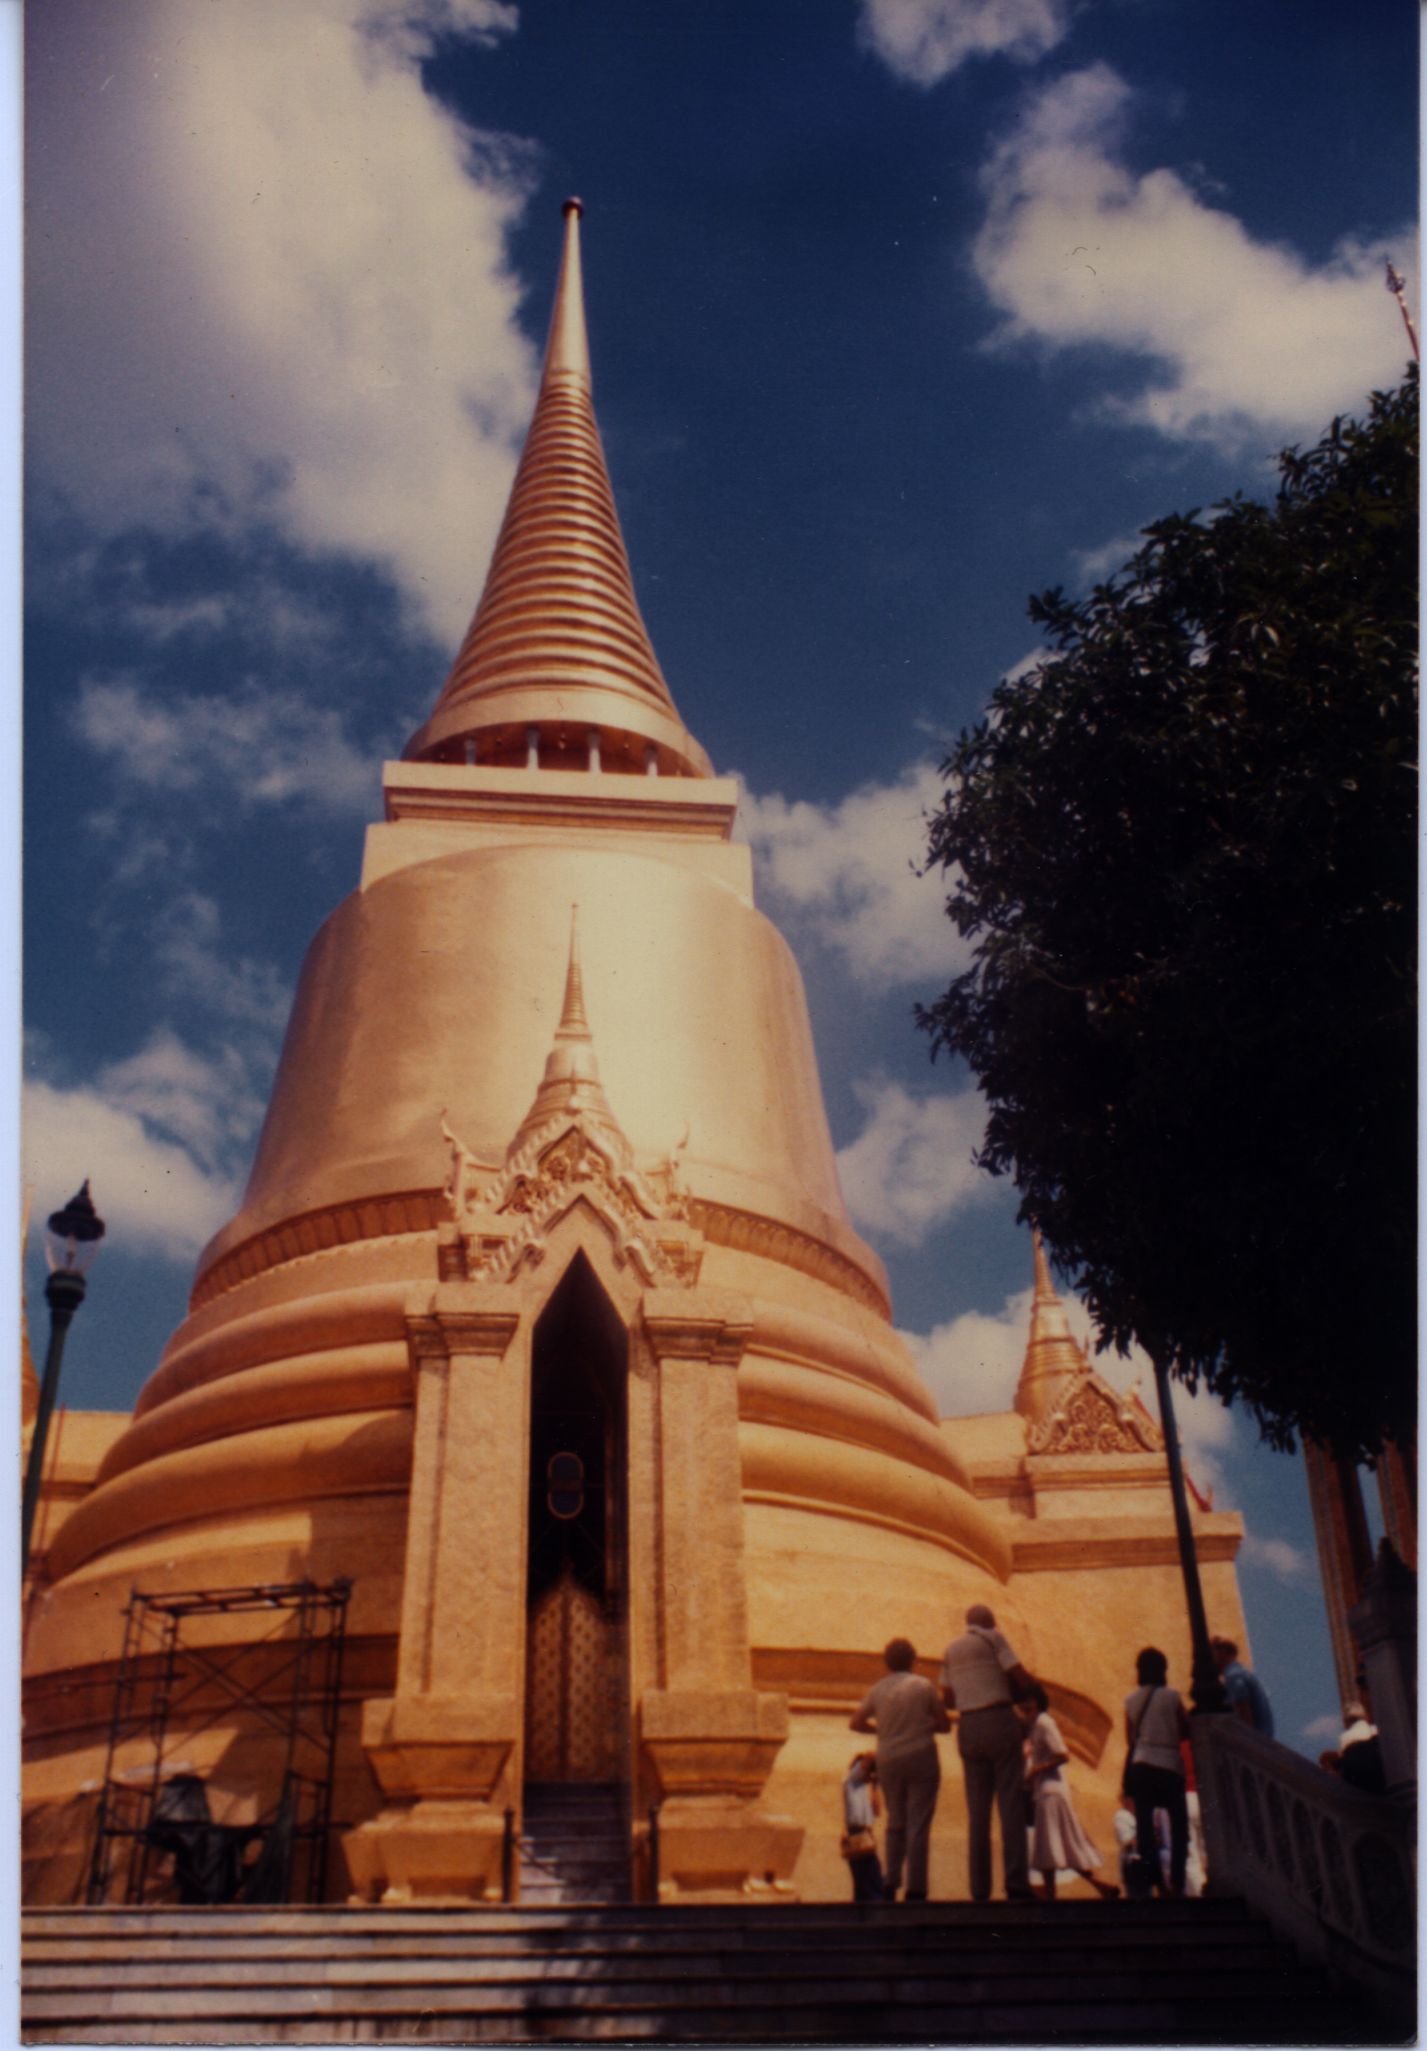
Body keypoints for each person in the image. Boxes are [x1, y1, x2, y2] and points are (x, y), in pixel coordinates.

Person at [939, 1603, 1034, 1902]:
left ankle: (979, 1890)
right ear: (989, 1623)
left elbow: (948, 1698)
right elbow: (1019, 1675)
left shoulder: (951, 1649)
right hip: (999, 1719)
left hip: (968, 1726)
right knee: (1010, 1806)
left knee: (978, 1814)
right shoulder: (994, 1638)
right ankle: (1016, 1883)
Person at [850, 1637, 950, 1901]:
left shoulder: (878, 1689)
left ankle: (891, 1881)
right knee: (918, 1823)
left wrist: (882, 1731)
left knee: (896, 1821)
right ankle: (916, 1887)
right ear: (913, 1661)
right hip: (921, 1756)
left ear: (887, 1663)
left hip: (889, 1758)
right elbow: (944, 1724)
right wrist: (922, 1726)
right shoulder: (923, 1686)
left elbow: (856, 1722)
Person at [1018, 1683, 1119, 1901]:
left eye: (1028, 1700)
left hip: (1051, 1792)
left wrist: (1036, 1770)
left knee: (1051, 1846)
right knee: (1055, 1846)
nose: (1024, 1705)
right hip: (1045, 1791)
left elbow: (1062, 1754)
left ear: (1037, 1701)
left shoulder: (1044, 1722)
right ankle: (1099, 1886)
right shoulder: (1035, 1726)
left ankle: (1054, 1894)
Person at [1123, 1646, 1191, 1899]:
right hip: (1170, 1764)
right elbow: (1185, 1730)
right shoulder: (1172, 1697)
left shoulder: (1131, 1701)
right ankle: (1177, 1882)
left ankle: (1157, 1883)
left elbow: (1130, 1738)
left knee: (1145, 1827)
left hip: (1142, 1765)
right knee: (1179, 1826)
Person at [1210, 1635, 1274, 1736]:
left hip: (1254, 1741)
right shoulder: (1244, 1673)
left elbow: (1244, 1715)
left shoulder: (1233, 1676)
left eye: (1211, 1654)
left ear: (1223, 1653)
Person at [840, 1752, 884, 1903]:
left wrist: (875, 1787)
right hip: (857, 1832)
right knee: (868, 1877)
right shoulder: (851, 1780)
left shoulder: (863, 1788)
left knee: (866, 1879)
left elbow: (877, 1811)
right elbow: (871, 1755)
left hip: (866, 1833)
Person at [1338, 1700, 1386, 1794]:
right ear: (1366, 1717)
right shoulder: (1376, 1730)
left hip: (1361, 1786)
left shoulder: (1344, 1738)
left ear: (1346, 1722)